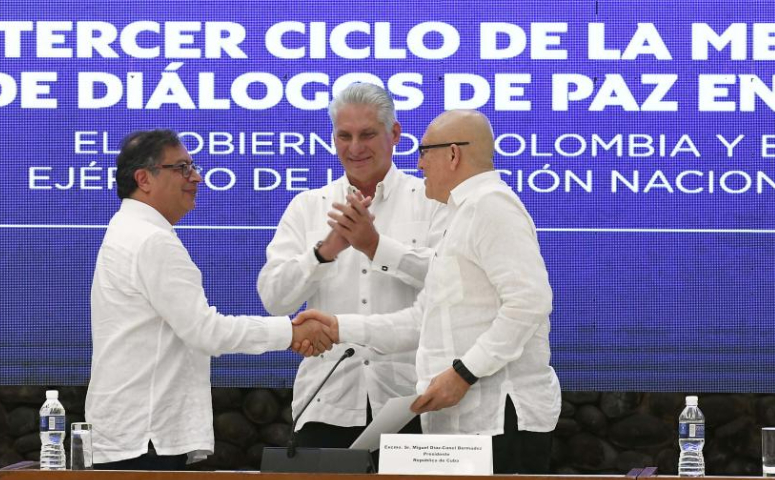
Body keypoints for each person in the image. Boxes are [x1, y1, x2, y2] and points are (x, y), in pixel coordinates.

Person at [295, 110, 561, 474]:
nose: (418, 164)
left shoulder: (491, 205)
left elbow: (529, 303)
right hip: (462, 425)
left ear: (453, 155)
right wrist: (339, 328)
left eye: (424, 152)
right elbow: (424, 320)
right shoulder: (460, 214)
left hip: (501, 419)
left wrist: (463, 373)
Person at [85, 129, 333, 471]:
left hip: (133, 432)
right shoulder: (150, 240)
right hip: (147, 437)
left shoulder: (127, 229)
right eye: (182, 168)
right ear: (144, 179)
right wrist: (290, 333)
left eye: (193, 166)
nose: (196, 177)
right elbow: (206, 332)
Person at [257, 83, 447, 450]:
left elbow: (448, 284)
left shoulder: (430, 202)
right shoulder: (308, 206)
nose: (355, 148)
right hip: (326, 400)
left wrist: (375, 246)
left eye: (367, 134)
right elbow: (274, 299)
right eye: (344, 136)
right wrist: (323, 253)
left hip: (412, 402)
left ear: (394, 134)